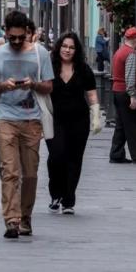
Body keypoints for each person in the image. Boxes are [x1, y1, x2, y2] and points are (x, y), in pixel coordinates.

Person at [0, 11, 54, 239]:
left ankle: (26, 218)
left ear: (27, 33)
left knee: (30, 174)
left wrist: (33, 84)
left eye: (20, 37)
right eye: (11, 37)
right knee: (10, 172)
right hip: (6, 118)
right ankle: (11, 221)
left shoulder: (40, 53)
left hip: (32, 120)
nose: (15, 41)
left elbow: (49, 87)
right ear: (6, 31)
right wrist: (4, 86)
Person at [46, 32, 101, 215]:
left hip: (79, 120)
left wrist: (95, 116)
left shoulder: (84, 69)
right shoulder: (49, 67)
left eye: (71, 47)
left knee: (74, 159)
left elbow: (91, 94)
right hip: (55, 119)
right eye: (64, 46)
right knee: (56, 156)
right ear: (58, 47)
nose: (67, 50)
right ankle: (56, 193)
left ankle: (68, 200)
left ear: (76, 50)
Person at [108, 27, 136, 164]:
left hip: (117, 90)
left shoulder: (119, 52)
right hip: (126, 93)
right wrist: (133, 96)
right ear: (135, 39)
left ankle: (116, 154)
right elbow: (129, 77)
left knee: (121, 125)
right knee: (134, 125)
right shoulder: (131, 54)